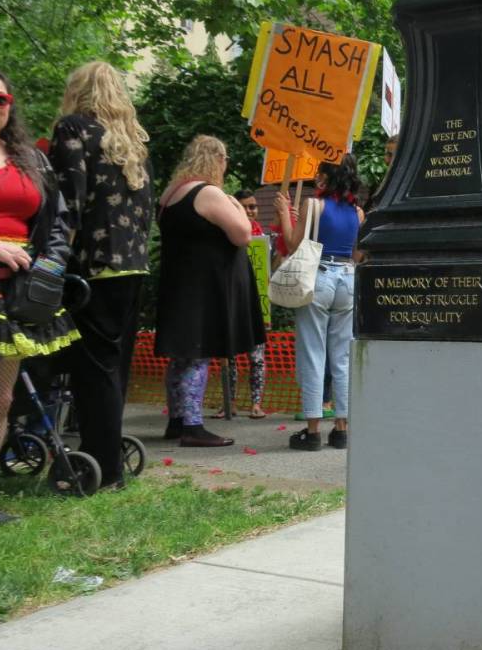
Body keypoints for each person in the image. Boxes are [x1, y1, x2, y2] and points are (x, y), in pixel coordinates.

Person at [0, 66, 78, 524]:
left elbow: (59, 224)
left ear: (10, 107)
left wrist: (51, 264)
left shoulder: (30, 160)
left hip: (13, 295)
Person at [50, 62, 153, 489]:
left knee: (93, 370)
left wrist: (53, 260)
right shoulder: (133, 143)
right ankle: (109, 456)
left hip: (92, 266)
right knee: (115, 369)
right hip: (132, 266)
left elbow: (67, 203)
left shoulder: (73, 129)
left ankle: (103, 467)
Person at [154, 136, 264, 446]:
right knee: (198, 356)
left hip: (180, 283)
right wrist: (233, 204)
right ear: (216, 159)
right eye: (225, 160)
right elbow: (243, 234)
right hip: (203, 288)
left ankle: (177, 420)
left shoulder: (171, 194)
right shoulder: (209, 193)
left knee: (181, 358)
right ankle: (193, 425)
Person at [274, 153, 363, 451]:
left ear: (327, 176)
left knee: (313, 352)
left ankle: (312, 430)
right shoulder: (358, 213)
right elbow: (358, 255)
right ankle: (342, 429)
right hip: (347, 279)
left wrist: (285, 214)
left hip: (318, 276)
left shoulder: (314, 205)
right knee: (342, 356)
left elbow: (292, 243)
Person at [220, 189, 268, 419]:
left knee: (256, 358)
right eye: (245, 206)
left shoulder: (263, 238)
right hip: (233, 302)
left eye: (253, 206)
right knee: (228, 355)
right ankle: (229, 403)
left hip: (258, 303)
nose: (250, 211)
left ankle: (256, 404)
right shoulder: (227, 235)